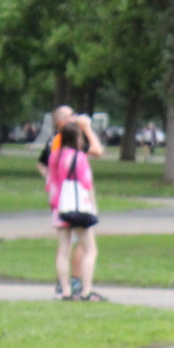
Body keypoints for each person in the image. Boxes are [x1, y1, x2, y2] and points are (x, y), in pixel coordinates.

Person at [37, 105, 103, 298]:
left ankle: (64, 289)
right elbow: (87, 180)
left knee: (63, 249)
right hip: (77, 205)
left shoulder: (54, 153)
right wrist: (87, 128)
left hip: (59, 204)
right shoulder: (78, 155)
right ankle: (84, 289)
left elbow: (45, 168)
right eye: (71, 116)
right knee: (89, 248)